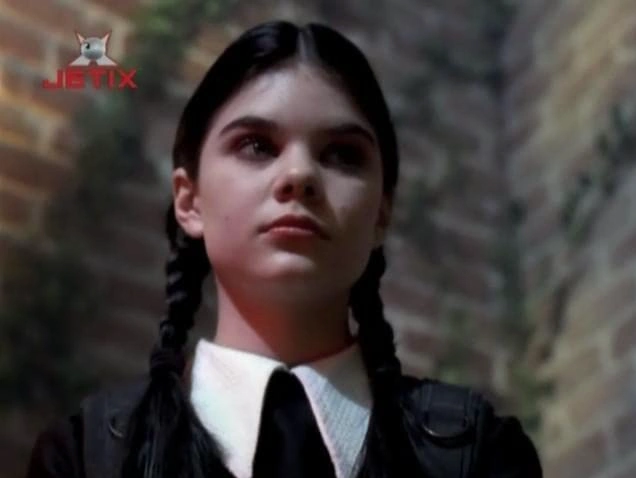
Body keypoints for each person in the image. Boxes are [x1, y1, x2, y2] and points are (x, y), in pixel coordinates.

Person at [26, 20, 542, 478]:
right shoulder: (86, 458)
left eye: (343, 154)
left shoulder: (479, 455)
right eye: (256, 146)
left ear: (381, 213)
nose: (299, 175)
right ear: (189, 200)